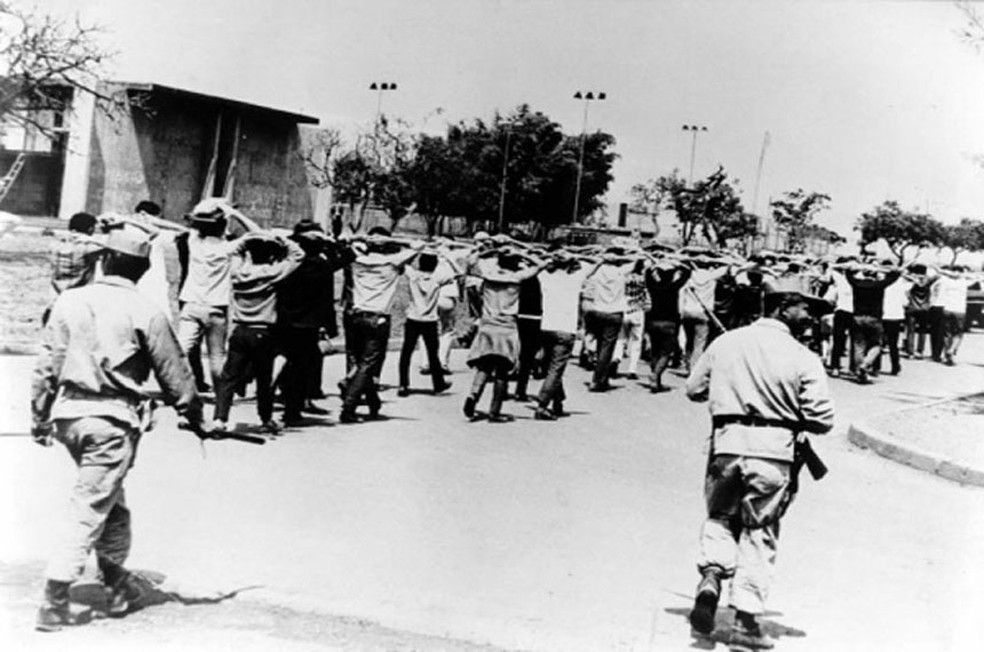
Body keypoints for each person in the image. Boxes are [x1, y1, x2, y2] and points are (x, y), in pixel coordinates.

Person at [31, 229, 211, 632]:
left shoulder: (70, 300)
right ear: (143, 269)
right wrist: (197, 418)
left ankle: (115, 585)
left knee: (111, 503)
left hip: (70, 418)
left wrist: (39, 416)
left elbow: (46, 365)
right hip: (112, 422)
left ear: (105, 260)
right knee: (89, 507)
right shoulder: (146, 311)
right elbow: (176, 374)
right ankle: (55, 598)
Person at [684, 278, 834, 650]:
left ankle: (712, 577)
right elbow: (822, 419)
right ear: (783, 307)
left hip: (727, 446)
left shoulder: (726, 342)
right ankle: (746, 620)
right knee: (759, 529)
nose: (810, 316)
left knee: (720, 517)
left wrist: (731, 389)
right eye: (805, 308)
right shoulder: (803, 356)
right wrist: (787, 408)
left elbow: (694, 389)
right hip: (773, 453)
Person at [213, 232, 305, 434]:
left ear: (250, 254)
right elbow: (298, 255)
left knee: (229, 377)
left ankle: (220, 418)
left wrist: (246, 240)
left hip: (239, 329)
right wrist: (281, 239)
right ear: (271, 256)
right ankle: (265, 418)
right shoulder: (272, 274)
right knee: (264, 379)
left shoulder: (237, 273)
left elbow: (231, 253)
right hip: (263, 330)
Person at [174, 198, 259, 391]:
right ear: (223, 228)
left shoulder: (194, 242)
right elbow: (257, 232)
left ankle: (178, 389)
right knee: (217, 356)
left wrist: (207, 207)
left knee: (181, 349)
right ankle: (222, 395)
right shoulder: (228, 247)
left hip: (191, 304)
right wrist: (234, 213)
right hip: (216, 307)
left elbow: (193, 222)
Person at [339, 232, 424, 423]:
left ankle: (372, 402)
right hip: (378, 318)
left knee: (359, 362)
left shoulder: (357, 260)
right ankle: (348, 407)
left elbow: (343, 241)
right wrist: (394, 239)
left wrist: (360, 238)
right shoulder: (392, 263)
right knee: (368, 364)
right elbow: (418, 245)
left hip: (355, 315)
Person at [463, 245, 547, 422]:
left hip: (488, 323)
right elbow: (541, 264)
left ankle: (473, 395)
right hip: (507, 326)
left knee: (484, 365)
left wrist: (492, 249)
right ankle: (495, 410)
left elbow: (470, 261)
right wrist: (520, 252)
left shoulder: (488, 274)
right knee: (503, 370)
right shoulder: (516, 277)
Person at [276, 220, 338, 425]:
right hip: (309, 324)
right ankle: (293, 409)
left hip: (285, 320)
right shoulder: (322, 266)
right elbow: (326, 298)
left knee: (288, 362)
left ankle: (284, 399)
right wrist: (328, 327)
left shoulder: (287, 263)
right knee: (302, 367)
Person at [534, 251, 592, 420]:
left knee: (550, 367)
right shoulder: (576, 277)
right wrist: (577, 254)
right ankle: (542, 405)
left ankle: (558, 400)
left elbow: (534, 261)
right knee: (556, 369)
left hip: (546, 327)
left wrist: (548, 255)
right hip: (566, 329)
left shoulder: (545, 276)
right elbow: (598, 261)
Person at [398, 248, 458, 396]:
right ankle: (438, 383)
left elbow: (401, 262)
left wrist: (414, 251)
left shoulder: (413, 275)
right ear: (435, 265)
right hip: (430, 320)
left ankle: (403, 384)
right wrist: (448, 256)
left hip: (413, 317)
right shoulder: (438, 278)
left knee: (406, 352)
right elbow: (459, 272)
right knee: (433, 354)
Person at [845, 262, 900, 384]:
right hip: (874, 318)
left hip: (858, 317)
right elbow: (895, 274)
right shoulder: (879, 285)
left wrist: (858, 267)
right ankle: (865, 364)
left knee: (858, 346)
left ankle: (859, 371)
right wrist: (881, 269)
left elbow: (848, 273)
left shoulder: (856, 284)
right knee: (876, 345)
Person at [644, 257, 691, 392]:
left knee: (655, 351)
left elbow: (647, 273)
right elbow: (687, 273)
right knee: (666, 353)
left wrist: (656, 264)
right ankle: (655, 375)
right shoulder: (673, 287)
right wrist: (678, 263)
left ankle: (656, 381)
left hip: (653, 320)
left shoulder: (653, 286)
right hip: (669, 321)